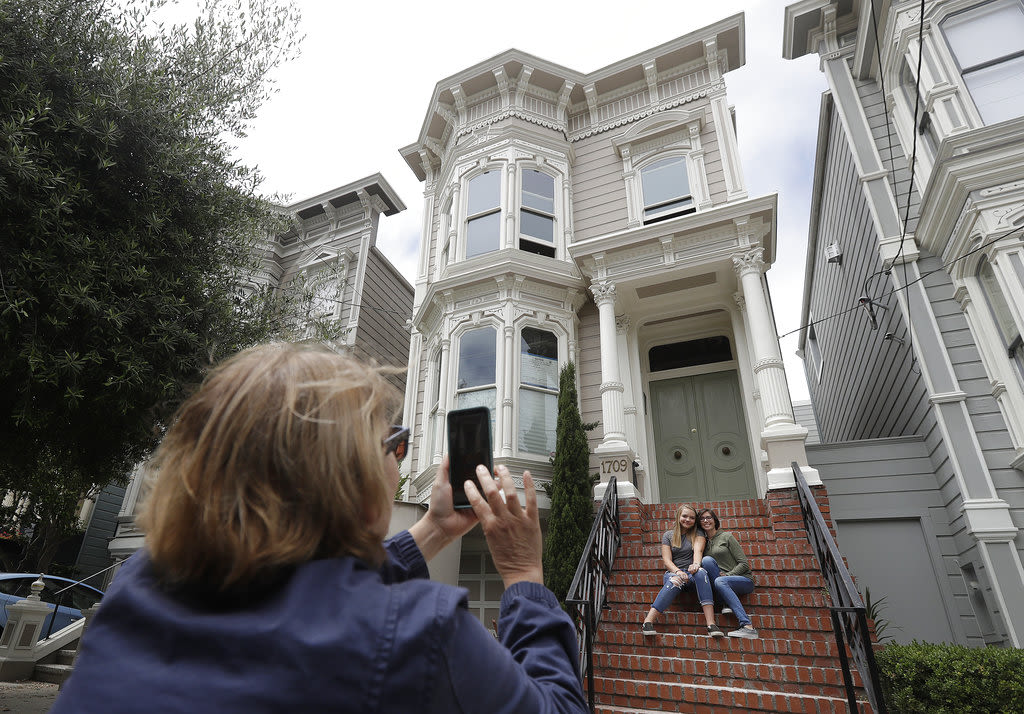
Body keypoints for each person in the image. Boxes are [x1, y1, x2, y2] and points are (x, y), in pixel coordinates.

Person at [51, 342, 587, 713]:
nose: (399, 461)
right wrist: (523, 572)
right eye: (393, 444)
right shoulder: (420, 633)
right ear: (345, 478)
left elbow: (310, 590)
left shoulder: (136, 584)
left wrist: (435, 529)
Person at [641, 503, 725, 637]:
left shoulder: (698, 532)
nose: (688, 520)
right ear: (678, 516)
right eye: (685, 516)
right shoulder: (668, 535)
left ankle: (711, 624)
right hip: (675, 573)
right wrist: (678, 572)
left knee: (702, 572)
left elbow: (698, 550)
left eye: (692, 518)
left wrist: (696, 564)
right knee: (675, 580)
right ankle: (648, 621)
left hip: (692, 573)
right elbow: (667, 560)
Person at [698, 507, 758, 639]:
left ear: (715, 520)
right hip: (720, 584)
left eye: (709, 517)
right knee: (707, 561)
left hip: (742, 580)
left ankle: (747, 626)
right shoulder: (703, 544)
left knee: (720, 580)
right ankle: (725, 601)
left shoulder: (727, 537)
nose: (706, 520)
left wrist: (728, 575)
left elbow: (744, 564)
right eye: (702, 519)